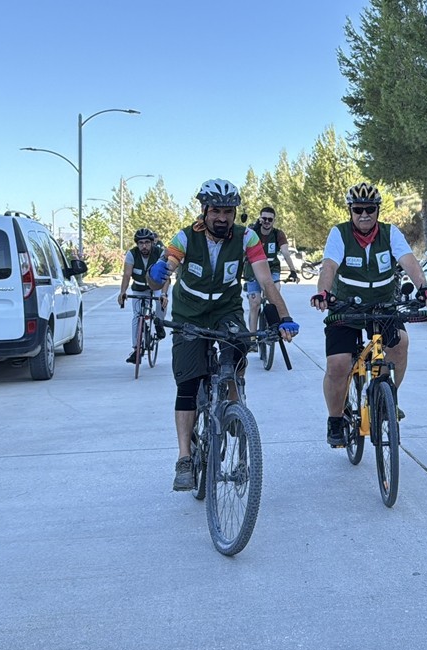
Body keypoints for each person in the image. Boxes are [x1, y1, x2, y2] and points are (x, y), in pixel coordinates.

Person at [147, 179, 300, 491]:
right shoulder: (185, 237)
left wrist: (284, 316)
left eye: (228, 211)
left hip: (225, 310)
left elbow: (266, 281)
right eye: (215, 211)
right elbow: (164, 271)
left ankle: (233, 402)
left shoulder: (247, 237)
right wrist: (156, 276)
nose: (222, 217)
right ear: (204, 211)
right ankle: (184, 458)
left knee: (240, 344)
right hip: (189, 313)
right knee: (188, 385)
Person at [310, 181, 427, 448]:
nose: (364, 214)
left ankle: (387, 396)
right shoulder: (340, 234)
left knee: (400, 344)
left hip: (383, 305)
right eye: (358, 209)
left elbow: (409, 261)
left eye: (370, 209)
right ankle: (335, 419)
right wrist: (323, 292)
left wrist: (424, 288)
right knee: (338, 364)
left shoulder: (390, 234)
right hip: (346, 307)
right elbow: (329, 266)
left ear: (377, 210)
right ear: (350, 210)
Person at [244, 205, 301, 345]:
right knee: (254, 303)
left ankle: (273, 328)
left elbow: (285, 252)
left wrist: (293, 270)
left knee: (275, 294)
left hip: (272, 269)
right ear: (260, 218)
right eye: (264, 218)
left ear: (274, 220)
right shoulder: (252, 232)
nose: (267, 222)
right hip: (253, 270)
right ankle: (252, 339)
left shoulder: (278, 234)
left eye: (270, 219)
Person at [117, 228, 169, 363]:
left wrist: (164, 294)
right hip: (139, 288)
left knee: (161, 303)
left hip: (157, 286)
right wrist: (122, 292)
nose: (144, 246)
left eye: (147, 242)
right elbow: (127, 275)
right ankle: (136, 349)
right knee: (137, 315)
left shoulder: (160, 253)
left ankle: (159, 324)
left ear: (152, 243)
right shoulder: (132, 254)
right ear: (137, 244)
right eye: (141, 243)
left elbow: (166, 277)